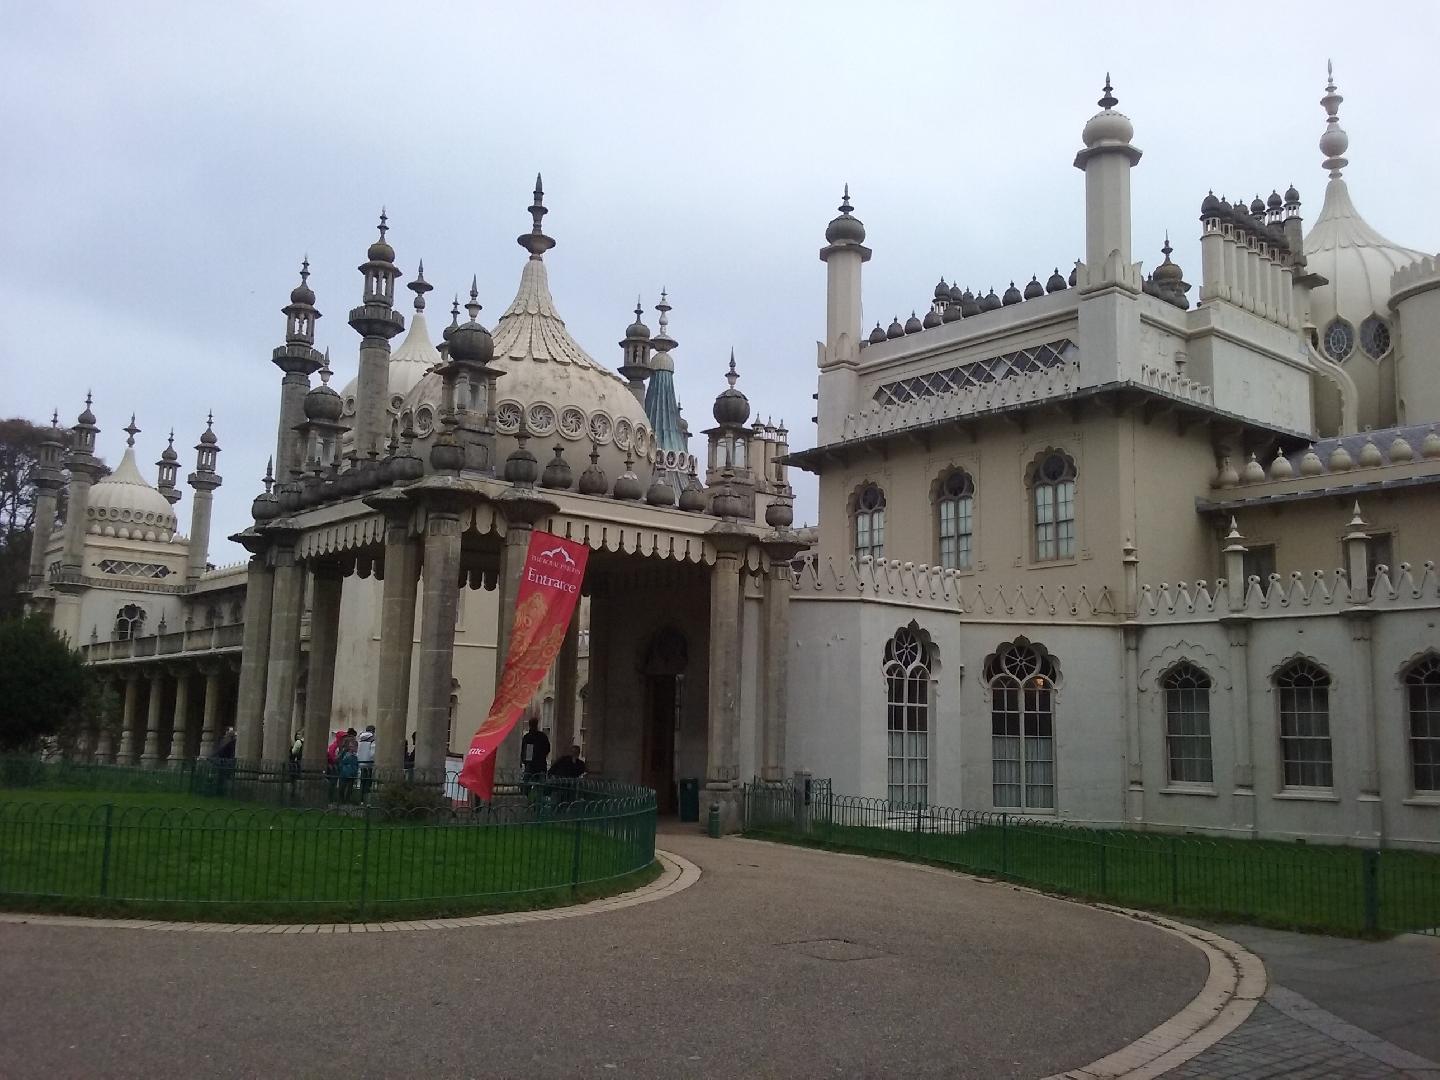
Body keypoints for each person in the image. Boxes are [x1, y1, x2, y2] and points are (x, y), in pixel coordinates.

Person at [519, 715, 550, 796]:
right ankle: (537, 800)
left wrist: (524, 761)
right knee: (540, 787)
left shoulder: (527, 737)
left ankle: (526, 798)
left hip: (531, 765)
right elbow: (547, 749)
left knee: (526, 786)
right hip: (540, 764)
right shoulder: (542, 736)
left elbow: (524, 751)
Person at [337, 736, 360, 805]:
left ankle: (347, 800)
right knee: (342, 787)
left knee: (349, 788)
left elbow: (355, 765)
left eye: (353, 746)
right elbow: (341, 762)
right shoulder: (345, 754)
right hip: (344, 773)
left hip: (351, 773)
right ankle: (342, 800)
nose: (352, 748)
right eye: (351, 746)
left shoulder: (355, 756)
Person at [357, 725, 376, 802]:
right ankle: (366, 799)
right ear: (373, 731)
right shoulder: (373, 738)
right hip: (369, 763)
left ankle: (361, 799)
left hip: (361, 762)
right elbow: (372, 753)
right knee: (368, 782)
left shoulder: (361, 737)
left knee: (362, 781)